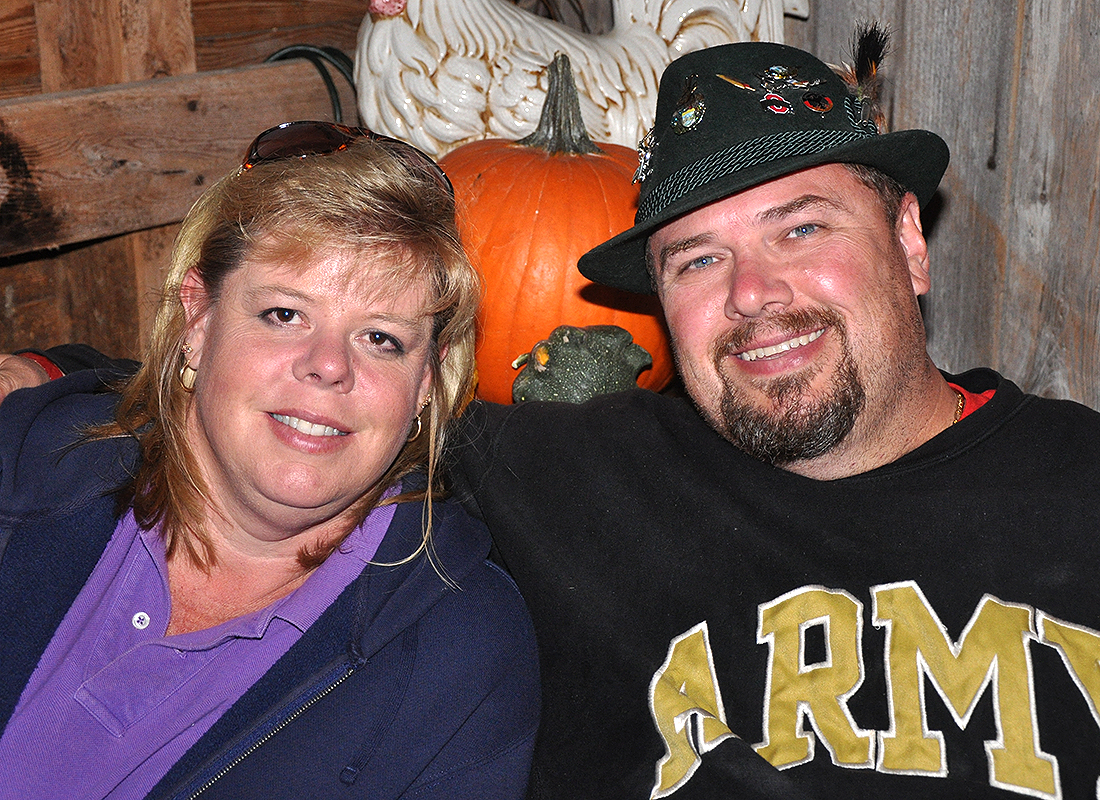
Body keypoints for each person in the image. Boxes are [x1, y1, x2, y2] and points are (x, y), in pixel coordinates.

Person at [6, 31, 1100, 800]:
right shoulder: (569, 477)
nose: (752, 293)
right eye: (696, 258)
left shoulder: (1077, 486)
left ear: (908, 239)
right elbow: (312, 394)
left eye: (800, 228)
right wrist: (52, 369)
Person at [0, 120, 540, 800]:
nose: (329, 366)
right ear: (198, 321)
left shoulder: (459, 658)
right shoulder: (23, 463)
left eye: (381, 339)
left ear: (424, 388)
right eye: (286, 314)